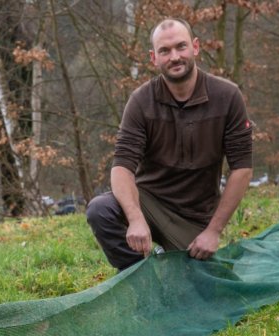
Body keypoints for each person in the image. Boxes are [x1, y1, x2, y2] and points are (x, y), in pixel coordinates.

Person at [86, 18, 254, 270]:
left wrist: (213, 231)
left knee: (201, 290)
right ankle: (141, 279)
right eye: (165, 51)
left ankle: (177, 257)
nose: (174, 57)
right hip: (149, 201)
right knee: (100, 209)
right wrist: (135, 218)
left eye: (181, 47)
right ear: (154, 58)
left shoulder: (228, 96)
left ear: (195, 47)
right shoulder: (141, 101)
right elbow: (122, 167)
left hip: (196, 215)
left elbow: (242, 169)